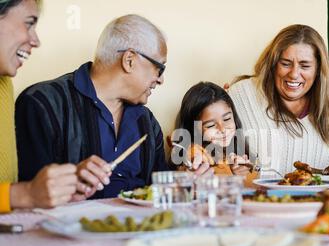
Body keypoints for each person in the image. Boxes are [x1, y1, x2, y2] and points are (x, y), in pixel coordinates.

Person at [15, 14, 210, 200]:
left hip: (140, 232)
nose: (160, 80)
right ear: (129, 60)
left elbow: (159, 191)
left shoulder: (147, 122)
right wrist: (72, 181)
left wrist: (185, 178)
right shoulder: (42, 104)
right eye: (159, 68)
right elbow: (32, 195)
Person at [228, 24, 329, 175]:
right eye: (285, 63)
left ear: (318, 69)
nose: (294, 74)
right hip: (259, 201)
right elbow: (210, 145)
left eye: (305, 66)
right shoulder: (242, 94)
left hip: (321, 201)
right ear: (273, 64)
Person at [0, 0, 108, 213]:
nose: (36, 40)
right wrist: (25, 193)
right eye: (29, 23)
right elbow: (18, 194)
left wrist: (62, 188)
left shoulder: (4, 85)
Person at [171, 81, 255, 180]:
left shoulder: (237, 150)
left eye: (227, 119)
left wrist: (238, 174)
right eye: (210, 125)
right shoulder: (195, 155)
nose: (222, 129)